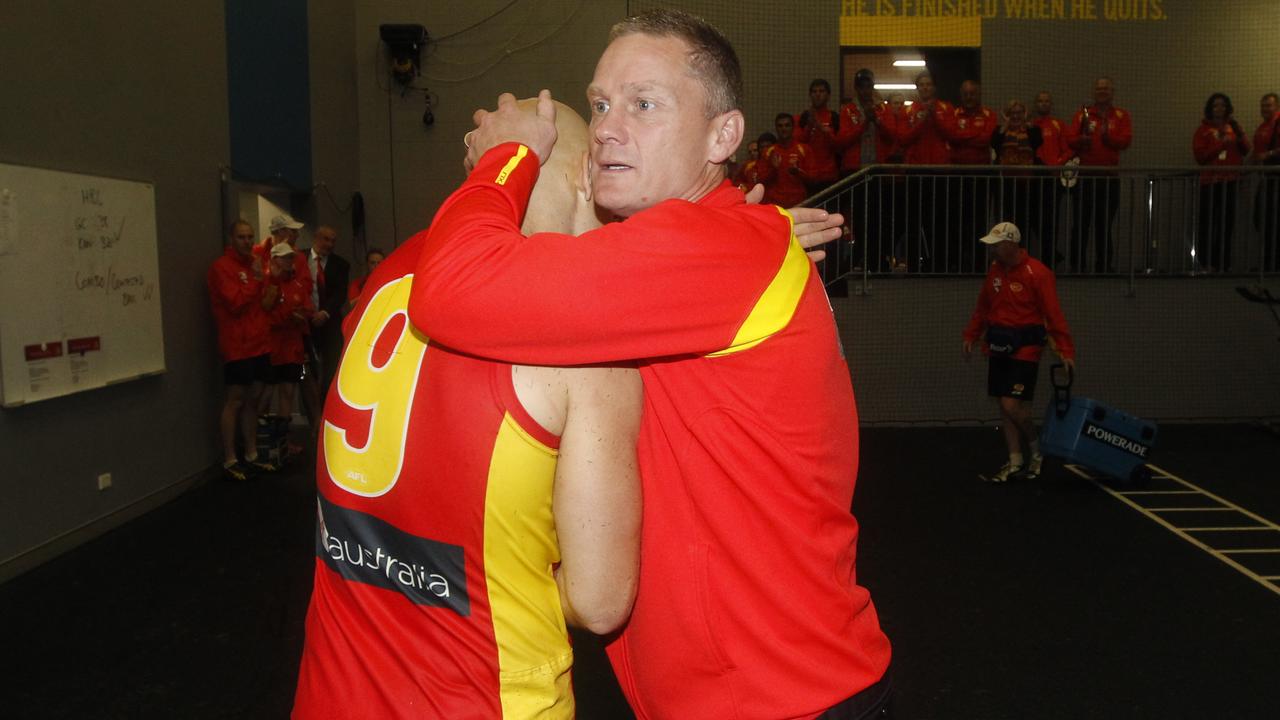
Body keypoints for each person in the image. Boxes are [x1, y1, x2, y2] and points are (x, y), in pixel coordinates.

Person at [409, 9, 891, 720]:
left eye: (644, 104)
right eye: (602, 104)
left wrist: (500, 164)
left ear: (724, 135)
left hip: (783, 701)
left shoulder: (718, 250)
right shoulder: (709, 251)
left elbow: (450, 291)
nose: (607, 127)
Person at [292, 100, 644, 720]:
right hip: (484, 697)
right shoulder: (584, 333)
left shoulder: (395, 270)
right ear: (588, 176)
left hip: (335, 691)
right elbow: (599, 601)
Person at [963, 222, 1075, 482]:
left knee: (1011, 403)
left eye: (997, 244)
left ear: (1011, 244)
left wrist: (1066, 350)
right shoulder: (995, 272)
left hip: (1026, 348)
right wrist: (971, 334)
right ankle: (1015, 460)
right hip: (998, 346)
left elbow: (1053, 315)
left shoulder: (1038, 273)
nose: (992, 249)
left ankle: (1036, 449)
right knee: (1005, 406)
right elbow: (983, 307)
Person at [206, 219, 274, 480]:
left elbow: (263, 304)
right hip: (237, 346)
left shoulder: (254, 266)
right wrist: (257, 281)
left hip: (258, 344)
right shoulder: (221, 268)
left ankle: (252, 453)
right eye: (241, 237)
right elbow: (235, 303)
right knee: (235, 400)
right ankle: (230, 458)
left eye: (250, 237)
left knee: (253, 399)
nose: (247, 241)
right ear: (231, 239)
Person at [1064, 77, 1133, 273]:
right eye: (1099, 88)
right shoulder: (1083, 115)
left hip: (1109, 178)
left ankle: (1103, 265)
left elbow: (1126, 140)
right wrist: (1081, 141)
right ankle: (1077, 265)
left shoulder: (1121, 115)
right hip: (1085, 178)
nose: (1102, 91)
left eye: (1106, 89)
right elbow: (1070, 139)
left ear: (1112, 92)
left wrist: (1108, 138)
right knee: (1081, 223)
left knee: (1104, 224)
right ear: (1094, 92)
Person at [834, 68, 898, 271]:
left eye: (868, 85)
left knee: (879, 218)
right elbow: (843, 140)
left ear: (872, 87)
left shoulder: (883, 109)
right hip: (856, 171)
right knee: (859, 218)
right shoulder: (848, 110)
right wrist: (864, 122)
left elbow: (892, 136)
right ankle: (860, 258)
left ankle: (877, 260)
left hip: (877, 172)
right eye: (861, 86)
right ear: (856, 88)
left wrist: (876, 120)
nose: (864, 90)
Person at [898, 71, 953, 271]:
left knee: (937, 221)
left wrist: (934, 116)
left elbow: (952, 134)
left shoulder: (946, 109)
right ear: (917, 88)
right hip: (915, 171)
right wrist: (922, 120)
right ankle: (913, 265)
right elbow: (903, 138)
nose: (925, 88)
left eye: (928, 84)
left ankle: (938, 264)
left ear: (934, 87)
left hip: (938, 171)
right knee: (913, 221)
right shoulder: (909, 110)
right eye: (921, 85)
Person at [941, 80, 997, 272]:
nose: (969, 97)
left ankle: (977, 262)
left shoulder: (989, 114)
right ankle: (956, 261)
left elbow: (987, 138)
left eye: (972, 93)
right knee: (957, 219)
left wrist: (964, 137)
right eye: (966, 94)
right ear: (961, 95)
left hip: (981, 175)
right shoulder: (954, 114)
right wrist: (973, 135)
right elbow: (952, 135)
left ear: (979, 94)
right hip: (958, 175)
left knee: (979, 220)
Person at [1191, 92, 1250, 272]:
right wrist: (1221, 144)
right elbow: (1200, 156)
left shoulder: (1233, 128)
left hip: (1229, 182)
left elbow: (1246, 149)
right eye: (1216, 105)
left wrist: (1238, 133)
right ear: (1210, 108)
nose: (1219, 109)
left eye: (1223, 105)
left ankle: (1223, 263)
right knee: (1207, 223)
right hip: (1210, 182)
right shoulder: (1203, 130)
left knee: (1226, 224)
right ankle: (1205, 262)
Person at [263, 241, 313, 450]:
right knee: (265, 393)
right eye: (284, 257)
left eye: (291, 257)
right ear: (274, 260)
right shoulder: (267, 284)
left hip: (292, 349)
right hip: (272, 348)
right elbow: (265, 313)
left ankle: (284, 443)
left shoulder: (297, 285)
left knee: (288, 393)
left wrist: (301, 316)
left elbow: (308, 308)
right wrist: (287, 317)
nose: (288, 261)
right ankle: (263, 441)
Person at [991, 99, 1044, 257]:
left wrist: (1026, 126)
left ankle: (1022, 254)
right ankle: (1006, 254)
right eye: (1012, 113)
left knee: (1024, 220)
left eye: (1019, 113)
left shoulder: (1032, 130)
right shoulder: (1000, 130)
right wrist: (1005, 127)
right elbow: (995, 143)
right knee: (1007, 220)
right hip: (1006, 183)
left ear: (1024, 114)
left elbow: (1037, 142)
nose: (1016, 116)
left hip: (1027, 182)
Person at [1030, 91, 1075, 266]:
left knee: (1051, 218)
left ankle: (1049, 257)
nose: (1043, 104)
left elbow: (1068, 150)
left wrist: (1057, 163)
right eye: (1040, 101)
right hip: (1033, 178)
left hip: (1052, 178)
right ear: (1036, 104)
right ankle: (1050, 251)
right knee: (1033, 216)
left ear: (1050, 104)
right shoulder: (1031, 125)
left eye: (1046, 101)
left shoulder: (1058, 125)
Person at [759, 112, 814, 207]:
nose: (783, 129)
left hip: (798, 202)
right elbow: (760, 180)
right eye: (780, 126)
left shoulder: (804, 149)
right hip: (775, 203)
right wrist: (773, 169)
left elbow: (814, 178)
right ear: (776, 128)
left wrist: (798, 172)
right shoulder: (768, 152)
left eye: (787, 125)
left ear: (793, 127)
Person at [1251, 92, 1280, 272]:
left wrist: (1268, 155)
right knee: (1263, 218)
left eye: (1269, 105)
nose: (1265, 109)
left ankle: (1274, 263)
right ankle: (1270, 262)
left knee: (1273, 218)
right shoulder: (1263, 127)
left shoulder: (1277, 124)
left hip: (1276, 177)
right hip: (1266, 176)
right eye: (1263, 105)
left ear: (1276, 106)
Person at [796, 78, 840, 192]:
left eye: (821, 91)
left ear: (828, 95)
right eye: (814, 92)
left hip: (829, 175)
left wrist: (822, 128)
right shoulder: (804, 117)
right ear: (810, 95)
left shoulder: (834, 117)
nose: (818, 95)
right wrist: (809, 126)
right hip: (808, 175)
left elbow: (839, 145)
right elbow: (798, 144)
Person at [344, 246, 385, 313]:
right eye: (372, 263)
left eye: (379, 263)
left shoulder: (389, 283)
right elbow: (351, 306)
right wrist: (369, 293)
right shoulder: (357, 283)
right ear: (367, 264)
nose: (376, 266)